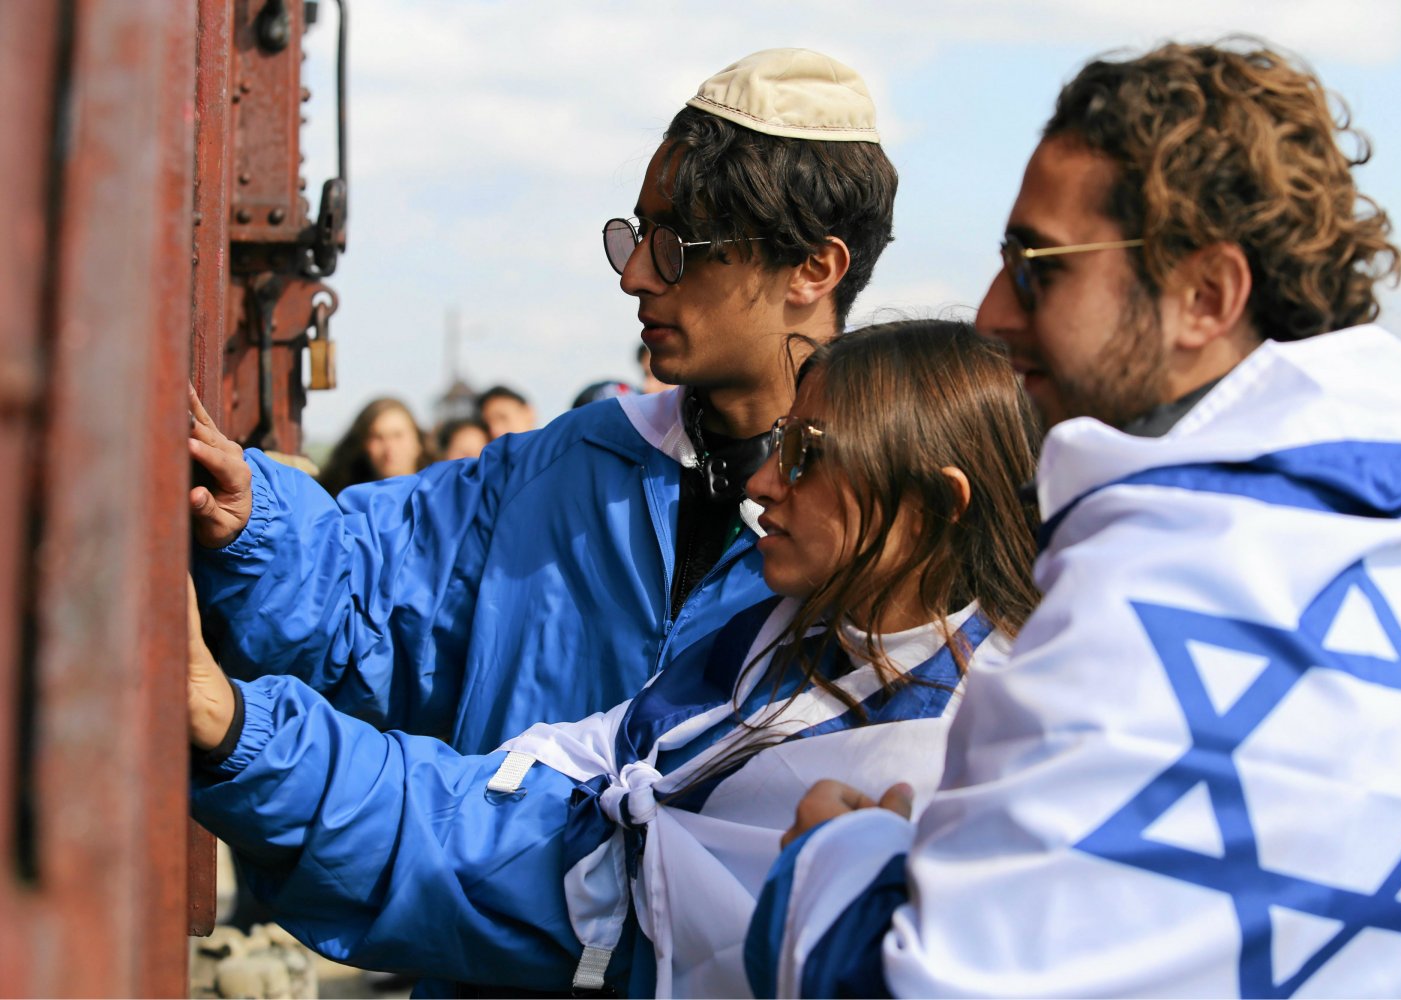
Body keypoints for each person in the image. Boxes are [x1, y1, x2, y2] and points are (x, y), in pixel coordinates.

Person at [749, 40, 1401, 998]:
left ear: (1204, 296)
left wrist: (835, 861)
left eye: (1037, 267)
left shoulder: (1136, 603)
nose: (991, 313)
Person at [188, 321, 1042, 997]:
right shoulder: (780, 643)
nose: (763, 484)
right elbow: (551, 811)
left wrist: (239, 734)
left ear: (930, 506)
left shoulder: (951, 762)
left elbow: (542, 860)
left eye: (809, 456)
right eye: (782, 444)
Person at [186, 48, 896, 781]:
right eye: (636, 234)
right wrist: (250, 527)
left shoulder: (898, 521)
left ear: (815, 268)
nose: (634, 275)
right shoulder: (556, 468)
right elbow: (361, 598)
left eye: (676, 246)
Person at [315, 396, 432, 497]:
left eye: (398, 435)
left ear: (418, 442)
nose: (389, 448)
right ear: (363, 445)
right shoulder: (346, 504)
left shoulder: (441, 498)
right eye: (378, 437)